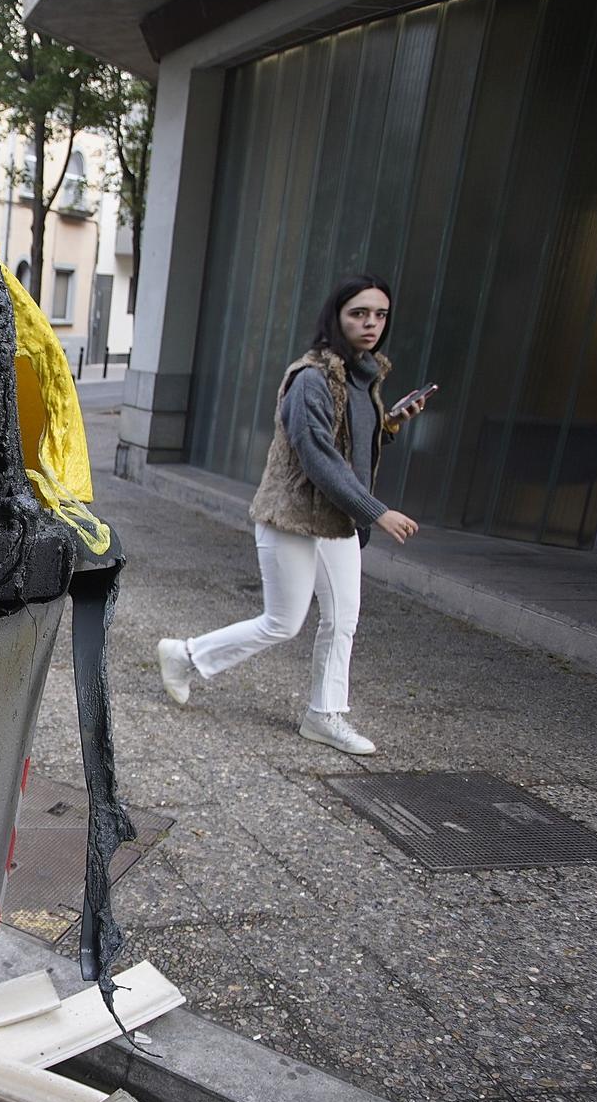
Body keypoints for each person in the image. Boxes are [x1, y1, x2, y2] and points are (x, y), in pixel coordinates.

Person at [155, 273, 429, 755]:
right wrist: (377, 511)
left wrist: (388, 427)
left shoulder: (365, 378)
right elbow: (318, 455)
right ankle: (185, 656)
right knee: (283, 621)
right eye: (359, 314)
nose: (370, 324)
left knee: (344, 618)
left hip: (337, 520)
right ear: (336, 317)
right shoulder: (312, 378)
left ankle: (324, 715)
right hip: (293, 515)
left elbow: (351, 448)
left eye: (379, 315)